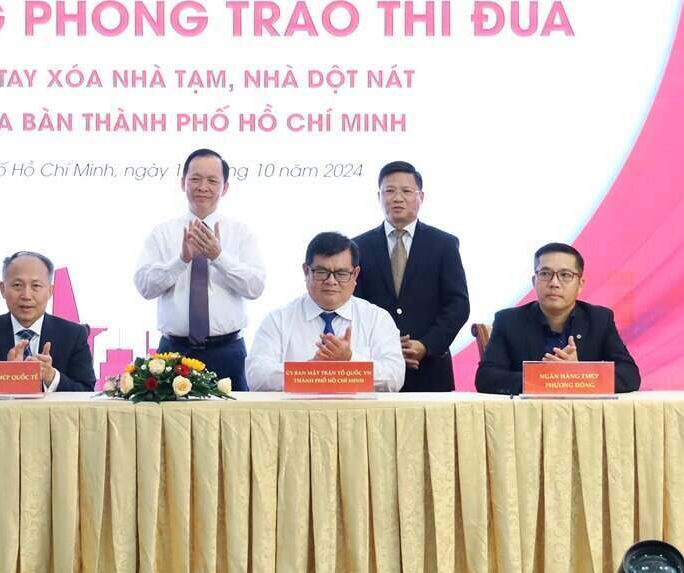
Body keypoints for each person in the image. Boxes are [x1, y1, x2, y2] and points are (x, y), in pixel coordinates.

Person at [133, 148, 265, 391]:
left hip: (228, 351)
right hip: (173, 353)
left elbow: (255, 287)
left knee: (232, 426)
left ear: (224, 187)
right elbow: (145, 287)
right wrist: (181, 260)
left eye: (212, 180)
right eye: (195, 179)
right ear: (183, 183)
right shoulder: (162, 233)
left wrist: (219, 256)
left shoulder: (241, 233)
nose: (203, 187)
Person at [353, 161, 470, 392]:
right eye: (389, 191)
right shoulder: (358, 246)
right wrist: (386, 348)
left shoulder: (444, 244)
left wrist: (426, 345)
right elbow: (355, 306)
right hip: (376, 370)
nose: (398, 198)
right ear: (379, 196)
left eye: (406, 191)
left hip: (428, 368)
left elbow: (458, 305)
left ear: (421, 196)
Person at [245, 232, 405, 393]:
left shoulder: (377, 318)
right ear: (306, 271)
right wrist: (309, 372)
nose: (331, 281)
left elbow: (394, 378)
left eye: (341, 274)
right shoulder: (278, 319)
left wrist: (350, 360)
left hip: (358, 415)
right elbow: (256, 376)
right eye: (321, 272)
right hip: (297, 414)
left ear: (355, 275)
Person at [474, 242, 641, 395]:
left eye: (565, 275)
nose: (554, 283)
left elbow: (629, 375)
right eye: (545, 273)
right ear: (534, 281)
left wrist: (578, 374)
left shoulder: (599, 319)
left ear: (580, 284)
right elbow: (486, 378)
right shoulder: (509, 321)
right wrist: (546, 378)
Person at [0, 251, 97, 393]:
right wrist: (4, 377)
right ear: (2, 289)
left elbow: (86, 392)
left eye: (36, 286)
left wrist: (51, 376)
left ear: (50, 291)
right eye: (17, 285)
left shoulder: (73, 335)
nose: (26, 295)